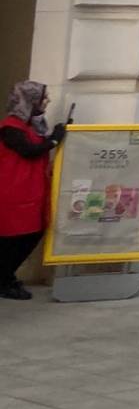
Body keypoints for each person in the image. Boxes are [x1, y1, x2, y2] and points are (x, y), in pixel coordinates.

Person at [0, 82, 65, 298]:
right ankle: (4, 278)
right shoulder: (10, 127)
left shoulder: (31, 126)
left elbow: (38, 143)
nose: (47, 102)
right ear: (30, 101)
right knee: (14, 237)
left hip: (31, 190)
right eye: (43, 98)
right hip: (13, 191)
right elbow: (29, 150)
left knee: (32, 233)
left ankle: (6, 276)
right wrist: (55, 140)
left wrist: (54, 136)